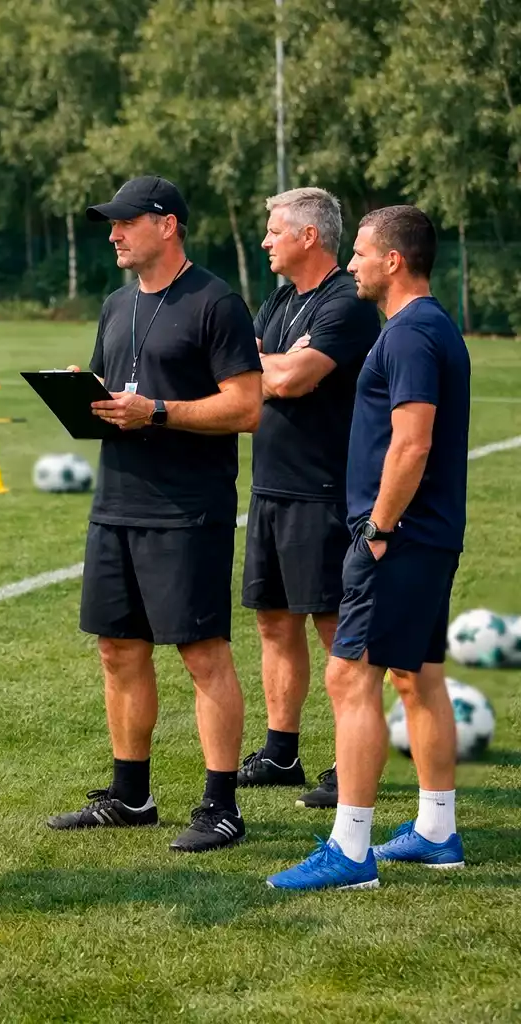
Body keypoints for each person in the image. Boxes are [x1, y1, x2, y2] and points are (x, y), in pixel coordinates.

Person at [48, 175, 262, 853]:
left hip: (187, 509)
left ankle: (221, 806)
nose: (113, 234)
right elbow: (117, 394)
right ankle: (130, 796)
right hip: (116, 503)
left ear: (166, 224)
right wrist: (88, 400)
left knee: (202, 655)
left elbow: (247, 406)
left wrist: (159, 411)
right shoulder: (115, 305)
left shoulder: (216, 302)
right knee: (118, 650)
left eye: (125, 222)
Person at [268, 205, 471, 891]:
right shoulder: (427, 326)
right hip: (426, 536)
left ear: (393, 261)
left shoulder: (412, 334)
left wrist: (379, 528)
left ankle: (350, 850)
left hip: (400, 537)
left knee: (350, 676)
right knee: (419, 674)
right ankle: (438, 830)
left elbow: (412, 442)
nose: (350, 264)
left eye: (359, 253)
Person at [241, 187, 382, 810]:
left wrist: (272, 369)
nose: (266, 241)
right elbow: (245, 374)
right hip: (270, 487)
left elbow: (294, 379)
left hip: (323, 491)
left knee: (334, 627)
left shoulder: (347, 303)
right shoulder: (278, 300)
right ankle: (281, 751)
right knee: (274, 621)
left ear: (307, 237)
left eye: (275, 231)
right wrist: (271, 365)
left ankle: (347, 758)